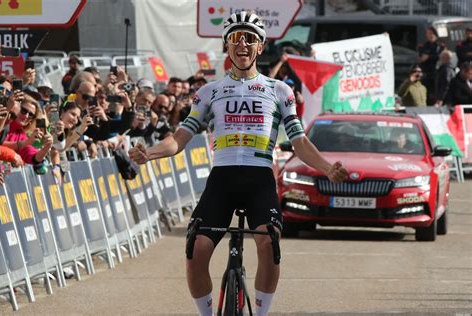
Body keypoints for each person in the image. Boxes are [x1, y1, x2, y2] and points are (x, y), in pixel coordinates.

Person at [129, 11, 348, 316]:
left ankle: (260, 313)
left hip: (259, 181)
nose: (242, 43)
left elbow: (299, 141)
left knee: (269, 244)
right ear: (227, 46)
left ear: (260, 47)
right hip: (222, 181)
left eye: (250, 38)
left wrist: (327, 168)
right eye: (235, 37)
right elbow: (179, 139)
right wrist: (150, 153)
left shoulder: (279, 91)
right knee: (196, 250)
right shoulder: (209, 91)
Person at [418, 27, 444, 105]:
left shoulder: (440, 46)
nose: (430, 36)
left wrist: (429, 57)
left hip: (436, 73)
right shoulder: (424, 45)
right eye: (428, 34)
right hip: (426, 72)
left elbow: (441, 56)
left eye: (431, 33)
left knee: (435, 92)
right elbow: (421, 57)